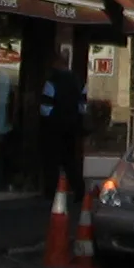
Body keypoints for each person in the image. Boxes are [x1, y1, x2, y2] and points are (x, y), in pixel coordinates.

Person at [38, 66, 88, 204]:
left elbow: (45, 108)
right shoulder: (79, 82)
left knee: (51, 160)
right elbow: (83, 106)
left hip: (53, 126)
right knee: (70, 160)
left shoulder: (52, 82)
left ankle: (50, 191)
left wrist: (47, 121)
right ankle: (79, 190)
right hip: (71, 126)